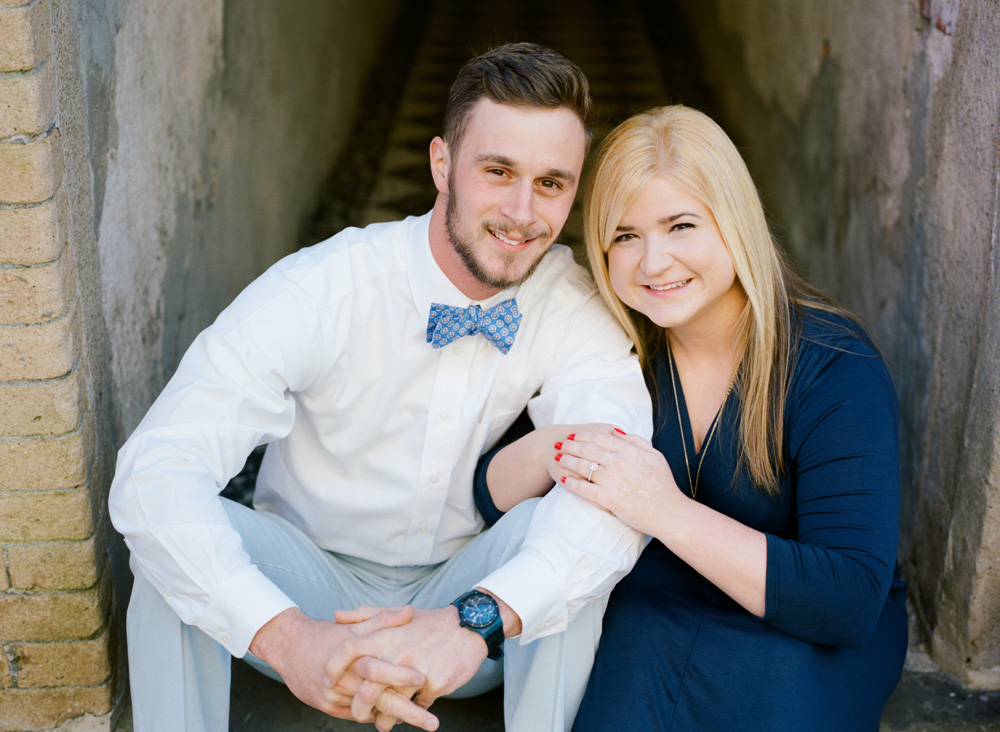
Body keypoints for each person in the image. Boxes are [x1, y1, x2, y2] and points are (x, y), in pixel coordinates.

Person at [108, 43, 654, 732]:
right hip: (308, 587)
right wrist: (289, 637)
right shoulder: (323, 287)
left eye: (551, 183)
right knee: (170, 543)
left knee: (586, 521)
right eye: (497, 171)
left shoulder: (569, 303)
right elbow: (153, 474)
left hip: (465, 600)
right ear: (441, 164)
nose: (522, 212)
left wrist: (467, 623)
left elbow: (625, 473)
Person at [474, 105, 908, 731]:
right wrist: (549, 449)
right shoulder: (613, 346)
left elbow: (846, 600)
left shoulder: (833, 366)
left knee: (770, 698)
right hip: (657, 612)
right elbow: (491, 506)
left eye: (680, 226)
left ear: (734, 222)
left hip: (803, 634)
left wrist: (663, 509)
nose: (653, 263)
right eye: (625, 236)